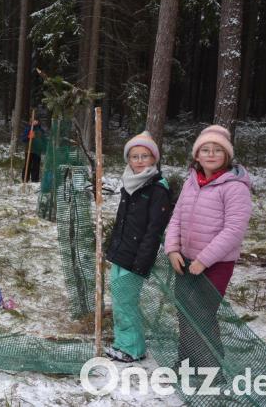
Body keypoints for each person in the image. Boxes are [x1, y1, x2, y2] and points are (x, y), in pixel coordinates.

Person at [164, 124, 252, 371]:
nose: (211, 154)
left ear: (227, 155)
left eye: (218, 150)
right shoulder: (191, 182)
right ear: (197, 155)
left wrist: (204, 260)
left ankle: (210, 368)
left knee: (202, 314)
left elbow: (234, 230)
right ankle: (186, 362)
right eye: (205, 149)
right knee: (184, 313)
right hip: (184, 261)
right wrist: (172, 249)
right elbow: (177, 217)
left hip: (216, 264)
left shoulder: (235, 187)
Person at [104, 131, 172, 363]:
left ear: (154, 159)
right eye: (135, 156)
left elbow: (154, 231)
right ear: (129, 160)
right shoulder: (129, 184)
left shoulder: (158, 189)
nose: (140, 160)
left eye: (145, 156)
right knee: (118, 299)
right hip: (121, 252)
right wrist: (113, 248)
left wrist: (142, 261)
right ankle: (123, 342)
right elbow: (121, 220)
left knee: (126, 301)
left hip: (137, 257)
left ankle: (132, 348)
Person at [21, 117, 47, 182]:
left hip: (37, 151)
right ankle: (25, 179)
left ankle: (35, 180)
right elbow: (23, 139)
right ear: (31, 122)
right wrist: (28, 137)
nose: (34, 122)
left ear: (38, 121)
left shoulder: (41, 130)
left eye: (36, 120)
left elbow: (44, 140)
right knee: (27, 164)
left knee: (36, 166)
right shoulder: (28, 129)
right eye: (33, 121)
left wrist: (45, 148)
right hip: (29, 150)